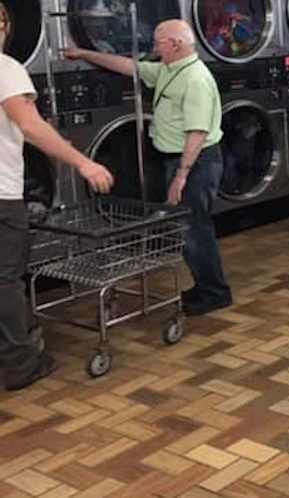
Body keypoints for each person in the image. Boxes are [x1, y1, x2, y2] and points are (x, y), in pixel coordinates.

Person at [65, 19, 231, 316]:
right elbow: (130, 67)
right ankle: (206, 286)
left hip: (195, 162)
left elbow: (197, 132)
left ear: (176, 45)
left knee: (194, 230)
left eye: (158, 43)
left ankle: (215, 293)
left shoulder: (195, 79)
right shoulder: (170, 70)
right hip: (179, 160)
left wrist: (181, 175)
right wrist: (86, 54)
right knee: (188, 229)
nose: (153, 48)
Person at [1, 3, 114, 390]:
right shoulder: (6, 68)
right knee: (6, 281)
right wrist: (83, 162)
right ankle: (23, 364)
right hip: (1, 196)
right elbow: (30, 125)